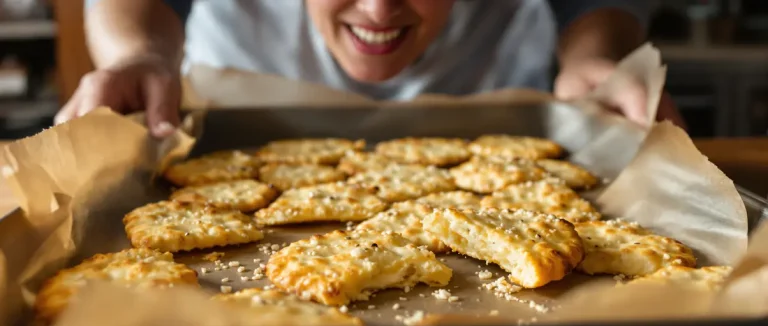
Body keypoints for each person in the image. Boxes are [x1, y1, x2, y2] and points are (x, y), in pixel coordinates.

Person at [57, 0, 684, 137]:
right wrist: (137, 56)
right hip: (227, 125)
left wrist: (594, 59)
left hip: (496, 113)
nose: (380, 9)